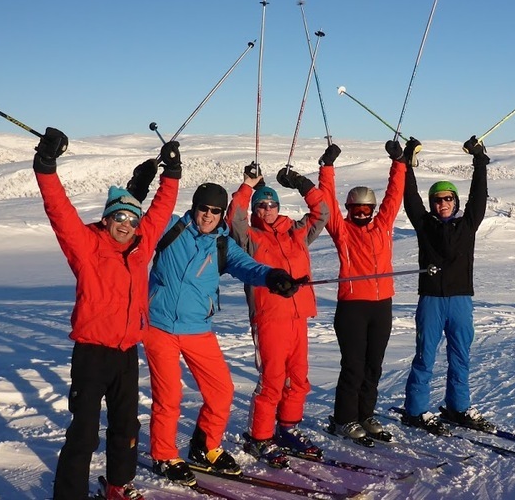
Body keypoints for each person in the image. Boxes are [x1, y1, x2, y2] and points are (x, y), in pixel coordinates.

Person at [34, 127, 180, 500]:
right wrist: (46, 165)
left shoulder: (140, 247)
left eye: (132, 220)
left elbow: (160, 212)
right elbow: (59, 210)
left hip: (127, 352)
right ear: (107, 218)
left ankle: (119, 485)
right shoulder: (86, 246)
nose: (127, 225)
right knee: (83, 432)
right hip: (92, 354)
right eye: (120, 218)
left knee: (126, 426)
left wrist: (173, 175)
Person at [142, 179, 303, 487]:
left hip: (197, 328)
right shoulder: (172, 230)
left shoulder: (222, 245)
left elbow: (250, 267)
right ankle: (163, 455)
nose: (209, 216)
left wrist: (274, 277)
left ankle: (204, 446)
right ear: (195, 207)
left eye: (216, 211)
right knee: (169, 396)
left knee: (221, 391)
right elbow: (145, 222)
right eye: (204, 208)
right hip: (159, 325)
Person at [225, 163, 330, 468]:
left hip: (298, 316)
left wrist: (300, 182)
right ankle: (260, 437)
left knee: (298, 378)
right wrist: (248, 185)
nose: (267, 209)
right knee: (272, 379)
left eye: (272, 204)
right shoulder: (250, 238)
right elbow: (235, 218)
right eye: (262, 205)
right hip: (269, 318)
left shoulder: (296, 232)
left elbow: (322, 212)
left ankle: (287, 427)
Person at [399, 136, 494, 436]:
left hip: (461, 300)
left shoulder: (468, 224)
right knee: (425, 356)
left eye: (448, 198)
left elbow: (479, 196)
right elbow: (409, 197)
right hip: (431, 300)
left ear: (455, 201)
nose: (443, 203)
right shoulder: (424, 224)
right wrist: (405, 163)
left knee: (460, 357)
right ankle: (415, 410)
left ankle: (458, 407)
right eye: (437, 199)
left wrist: (479, 160)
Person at [318, 139, 406, 443]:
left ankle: (366, 415)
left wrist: (400, 162)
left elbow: (395, 196)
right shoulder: (342, 232)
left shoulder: (383, 226)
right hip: (353, 307)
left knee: (374, 366)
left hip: (382, 306)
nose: (361, 214)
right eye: (356, 209)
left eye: (366, 209)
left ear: (373, 209)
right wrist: (326, 167)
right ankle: (344, 419)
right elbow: (325, 202)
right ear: (349, 210)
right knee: (353, 366)